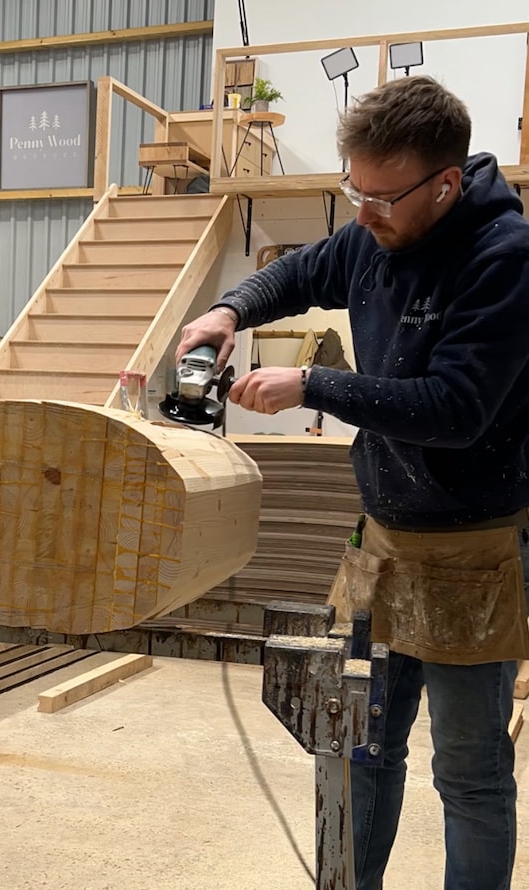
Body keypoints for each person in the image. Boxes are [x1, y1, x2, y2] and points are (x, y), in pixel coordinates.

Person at [176, 75, 529, 890]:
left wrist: (311, 387)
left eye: (381, 197)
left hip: (469, 546)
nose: (363, 213)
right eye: (353, 190)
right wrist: (229, 310)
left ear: (445, 185)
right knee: (360, 742)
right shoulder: (376, 230)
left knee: (470, 771)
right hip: (380, 537)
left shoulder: (504, 259)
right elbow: (298, 274)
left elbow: (455, 408)